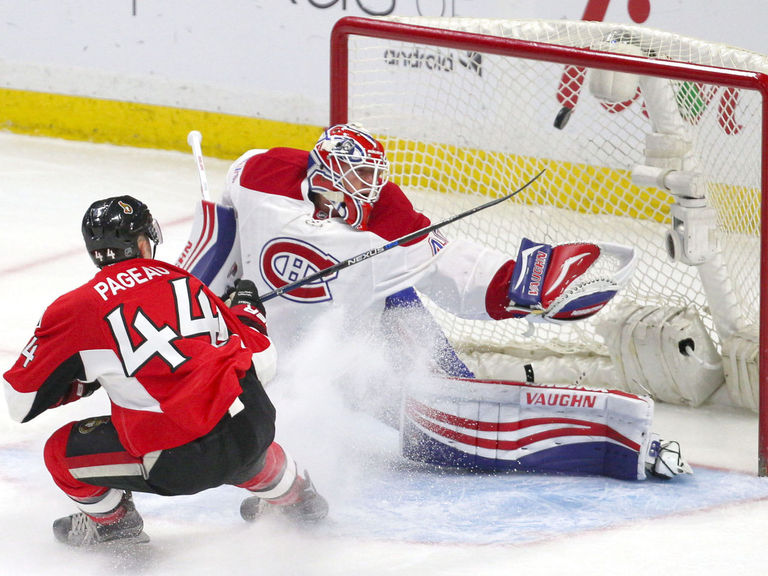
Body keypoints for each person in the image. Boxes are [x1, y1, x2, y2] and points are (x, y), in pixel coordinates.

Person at [187, 123, 691, 481]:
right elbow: (216, 242)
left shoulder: (389, 219)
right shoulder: (259, 174)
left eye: (375, 176)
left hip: (365, 336)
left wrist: (522, 283)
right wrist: (182, 305)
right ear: (327, 172)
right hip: (267, 340)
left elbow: (455, 266)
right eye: (362, 176)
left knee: (453, 426)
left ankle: (621, 444)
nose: (374, 186)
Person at [2, 195, 328, 548]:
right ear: (142, 242)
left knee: (59, 452)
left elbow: (21, 402)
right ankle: (297, 496)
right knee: (233, 416)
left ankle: (114, 525)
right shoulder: (186, 281)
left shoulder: (75, 308)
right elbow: (261, 361)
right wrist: (248, 311)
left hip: (181, 464)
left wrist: (80, 384)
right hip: (254, 430)